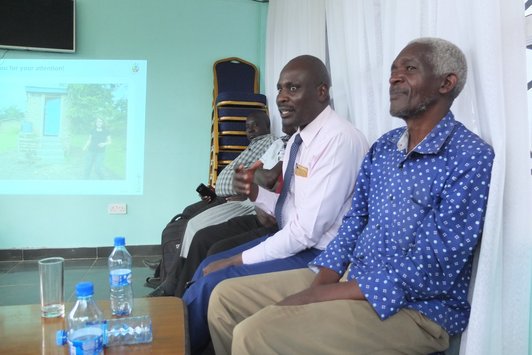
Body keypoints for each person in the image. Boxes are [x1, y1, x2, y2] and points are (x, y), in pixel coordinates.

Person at [208, 38, 495, 355]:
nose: (394, 78)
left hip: (414, 310)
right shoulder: (385, 148)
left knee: (256, 333)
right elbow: (354, 223)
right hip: (352, 277)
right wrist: (319, 287)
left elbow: (434, 266)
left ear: (446, 83)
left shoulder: (469, 157)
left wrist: (318, 297)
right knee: (225, 301)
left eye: (409, 69)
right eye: (393, 70)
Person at [182, 55, 369, 353]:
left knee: (214, 279)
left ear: (322, 91)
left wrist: (236, 260)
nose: (282, 97)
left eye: (292, 88)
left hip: (319, 256)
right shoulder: (301, 138)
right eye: (280, 88)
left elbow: (306, 231)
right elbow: (294, 207)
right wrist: (258, 196)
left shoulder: (339, 140)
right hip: (297, 242)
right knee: (207, 264)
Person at [147, 121, 296, 297]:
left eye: (255, 124)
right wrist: (248, 178)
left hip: (260, 210)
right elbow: (253, 173)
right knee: (194, 226)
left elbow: (266, 178)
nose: (249, 129)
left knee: (207, 241)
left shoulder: (291, 145)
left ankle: (180, 289)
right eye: (247, 126)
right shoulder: (280, 143)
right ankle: (172, 282)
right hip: (252, 205)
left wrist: (248, 178)